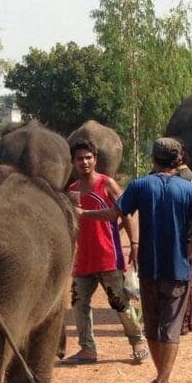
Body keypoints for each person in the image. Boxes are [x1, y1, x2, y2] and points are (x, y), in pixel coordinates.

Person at [77, 137, 192, 383]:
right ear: (178, 160)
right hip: (177, 270)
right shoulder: (189, 189)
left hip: (148, 267)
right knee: (170, 327)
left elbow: (112, 215)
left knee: (152, 324)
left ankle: (162, 378)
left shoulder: (139, 185)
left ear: (154, 159)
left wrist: (82, 213)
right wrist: (190, 251)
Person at [63, 140, 150, 366]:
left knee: (120, 302)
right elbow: (74, 220)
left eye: (88, 157)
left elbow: (126, 213)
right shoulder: (72, 190)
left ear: (96, 160)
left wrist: (134, 244)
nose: (84, 162)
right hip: (82, 259)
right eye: (80, 158)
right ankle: (87, 349)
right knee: (78, 303)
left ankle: (137, 341)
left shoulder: (107, 183)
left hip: (108, 254)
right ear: (72, 162)